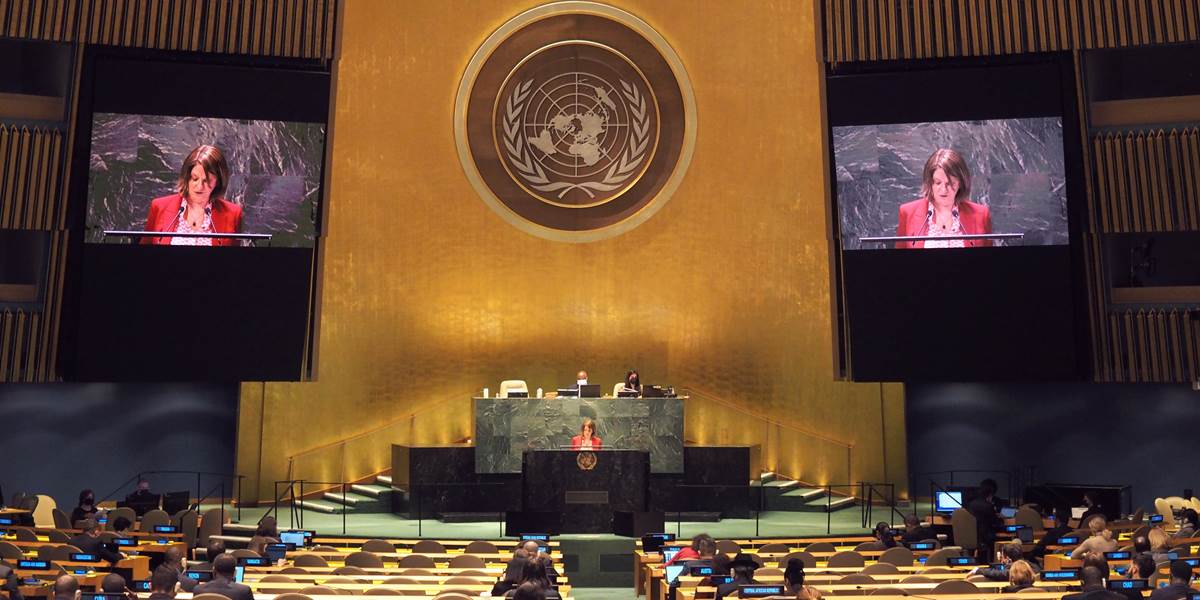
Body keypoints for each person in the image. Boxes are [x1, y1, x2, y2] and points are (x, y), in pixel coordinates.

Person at [142, 145, 243, 247]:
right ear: (186, 177)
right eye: (195, 179)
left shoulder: (232, 214)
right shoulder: (160, 207)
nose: (199, 187)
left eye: (207, 181)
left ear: (218, 182)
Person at [895, 148, 992, 249]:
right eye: (938, 183)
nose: (943, 189)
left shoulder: (981, 214)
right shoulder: (908, 212)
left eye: (950, 184)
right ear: (930, 183)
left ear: (961, 183)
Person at [967, 478, 1002, 562]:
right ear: (991, 493)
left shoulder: (971, 504)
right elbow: (996, 524)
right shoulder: (988, 506)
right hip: (985, 538)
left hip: (972, 536)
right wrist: (1001, 520)